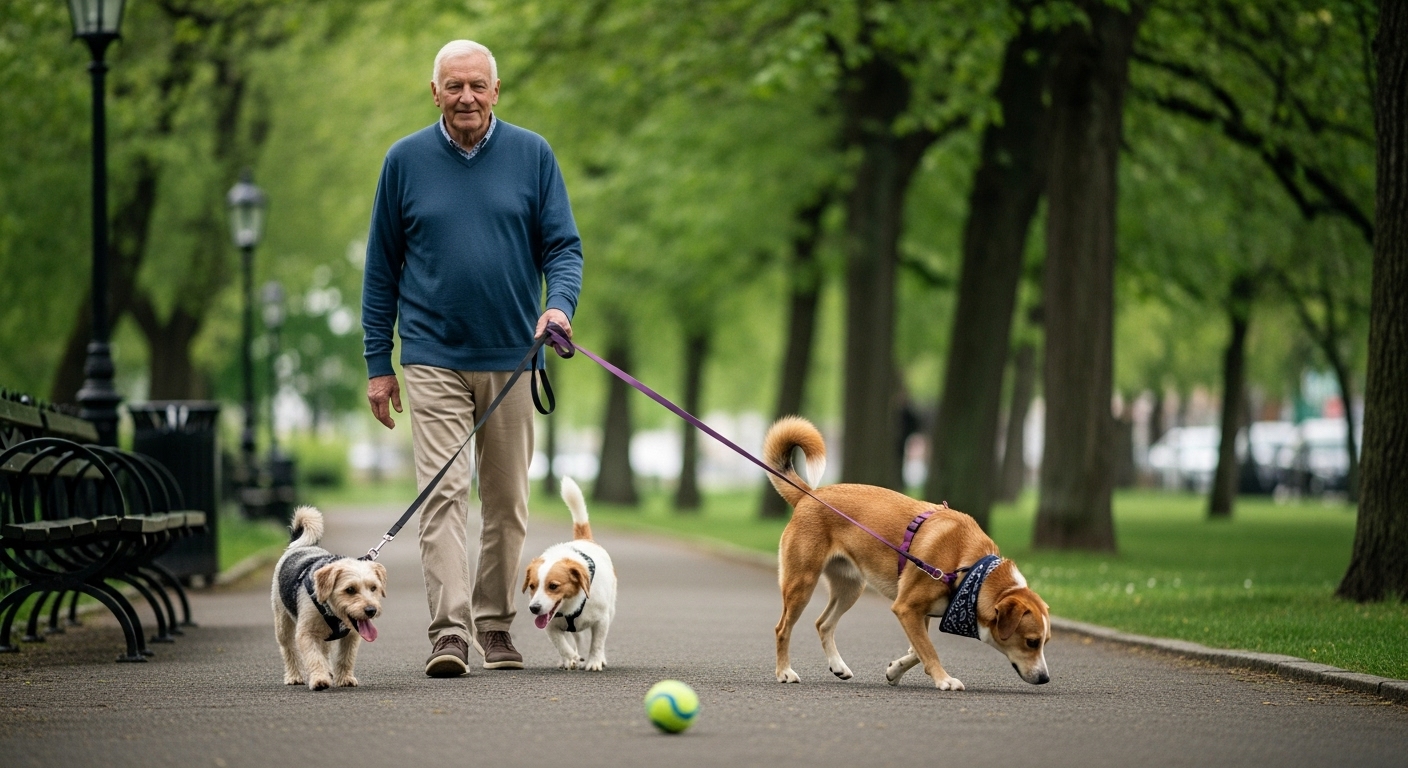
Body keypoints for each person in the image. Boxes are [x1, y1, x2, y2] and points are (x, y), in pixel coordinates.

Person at [361, 39, 583, 677]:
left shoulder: (532, 155)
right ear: (434, 92)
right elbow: (380, 271)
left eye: (477, 86)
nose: (466, 98)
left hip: (515, 356)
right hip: (431, 355)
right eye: (453, 86)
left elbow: (563, 247)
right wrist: (380, 364)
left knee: (507, 501)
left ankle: (495, 624)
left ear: (496, 90)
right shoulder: (403, 161)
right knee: (444, 493)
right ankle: (450, 633)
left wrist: (558, 305)